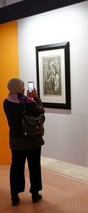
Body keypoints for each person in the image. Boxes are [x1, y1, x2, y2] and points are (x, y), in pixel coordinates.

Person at [3, 78, 45, 206]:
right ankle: (35, 194)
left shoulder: (6, 103)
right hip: (33, 141)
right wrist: (35, 98)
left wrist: (27, 99)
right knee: (34, 167)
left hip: (16, 142)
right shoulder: (29, 103)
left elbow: (18, 109)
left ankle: (14, 196)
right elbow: (41, 110)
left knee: (16, 168)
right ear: (20, 88)